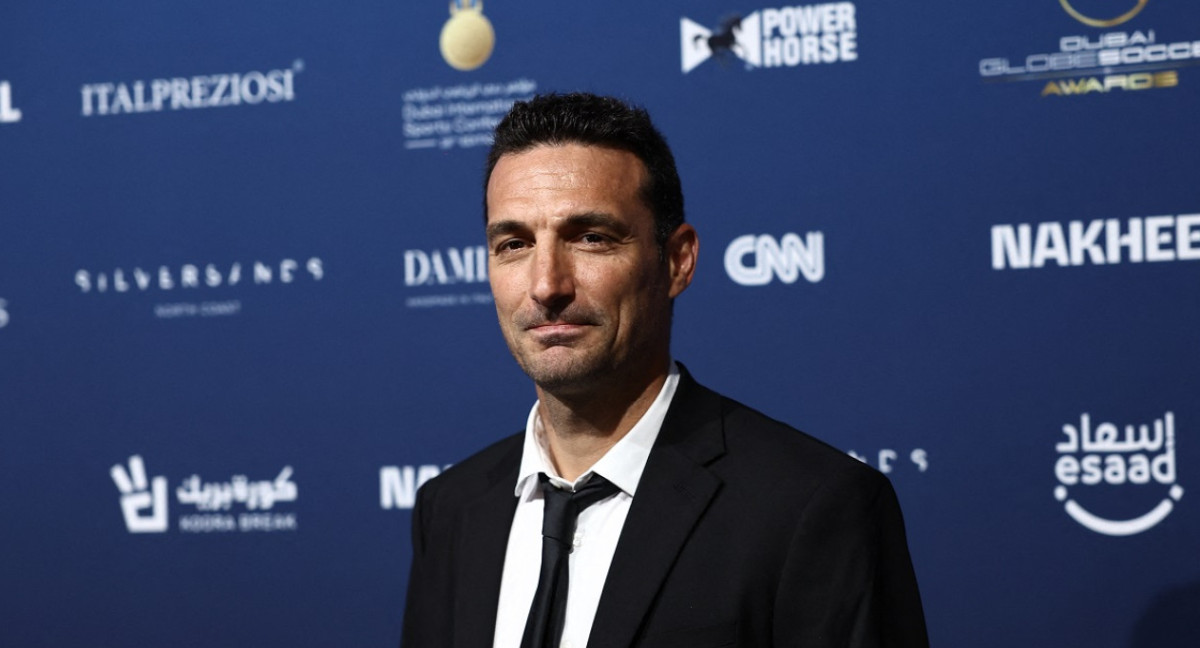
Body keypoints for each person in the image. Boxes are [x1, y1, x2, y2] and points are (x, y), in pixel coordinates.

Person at [401, 92, 928, 648]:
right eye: (514, 243)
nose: (546, 284)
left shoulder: (812, 507)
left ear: (677, 260)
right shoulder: (451, 509)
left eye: (591, 238)